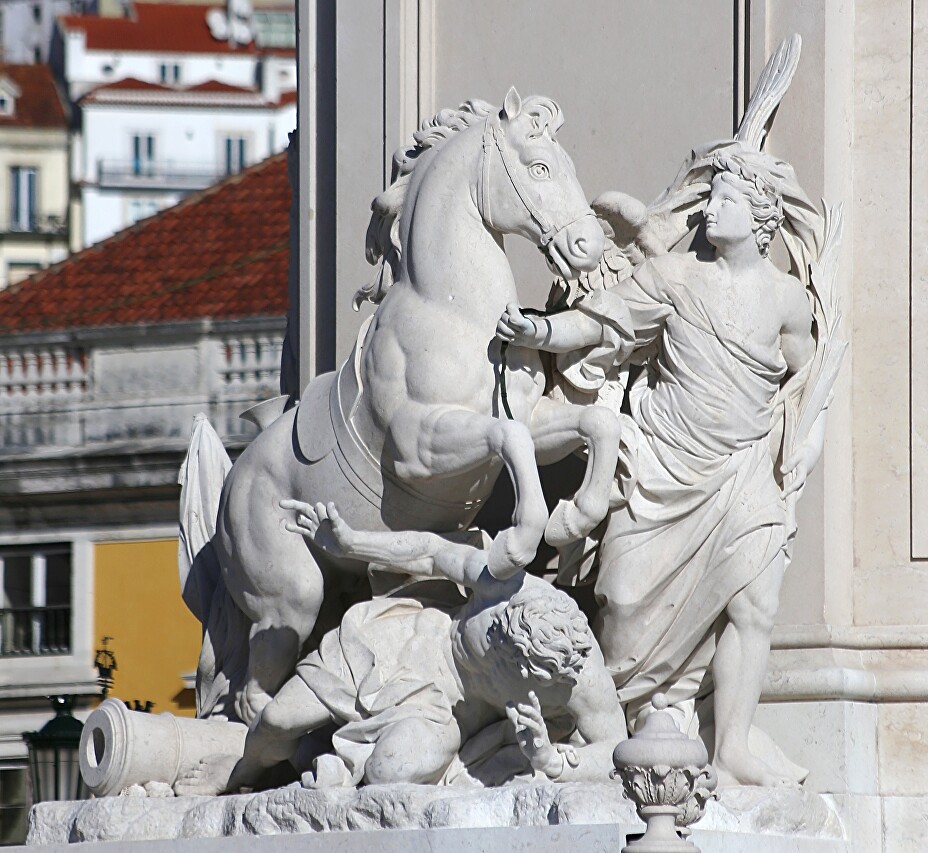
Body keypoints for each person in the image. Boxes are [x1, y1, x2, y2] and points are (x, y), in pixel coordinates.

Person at [497, 149, 822, 787]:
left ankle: (732, 745)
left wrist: (799, 449)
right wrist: (537, 332)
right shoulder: (672, 277)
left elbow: (804, 377)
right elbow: (596, 324)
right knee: (618, 601)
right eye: (712, 196)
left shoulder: (786, 300)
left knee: (754, 604)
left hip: (745, 468)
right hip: (665, 464)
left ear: (760, 218)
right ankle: (606, 720)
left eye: (726, 199)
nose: (711, 208)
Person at [174, 501, 625, 795]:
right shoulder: (505, 592)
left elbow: (615, 749)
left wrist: (553, 760)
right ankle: (244, 771)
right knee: (276, 719)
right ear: (503, 636)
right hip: (406, 645)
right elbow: (431, 553)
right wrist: (351, 543)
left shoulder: (575, 675)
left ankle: (323, 759)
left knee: (391, 772)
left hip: (447, 716)